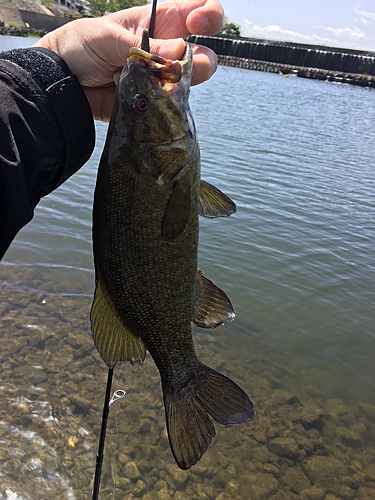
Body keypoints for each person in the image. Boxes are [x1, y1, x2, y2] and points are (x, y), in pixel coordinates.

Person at [0, 0, 224, 260]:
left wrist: (52, 66)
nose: (143, 102)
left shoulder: (165, 172)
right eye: (142, 104)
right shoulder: (168, 174)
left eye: (141, 105)